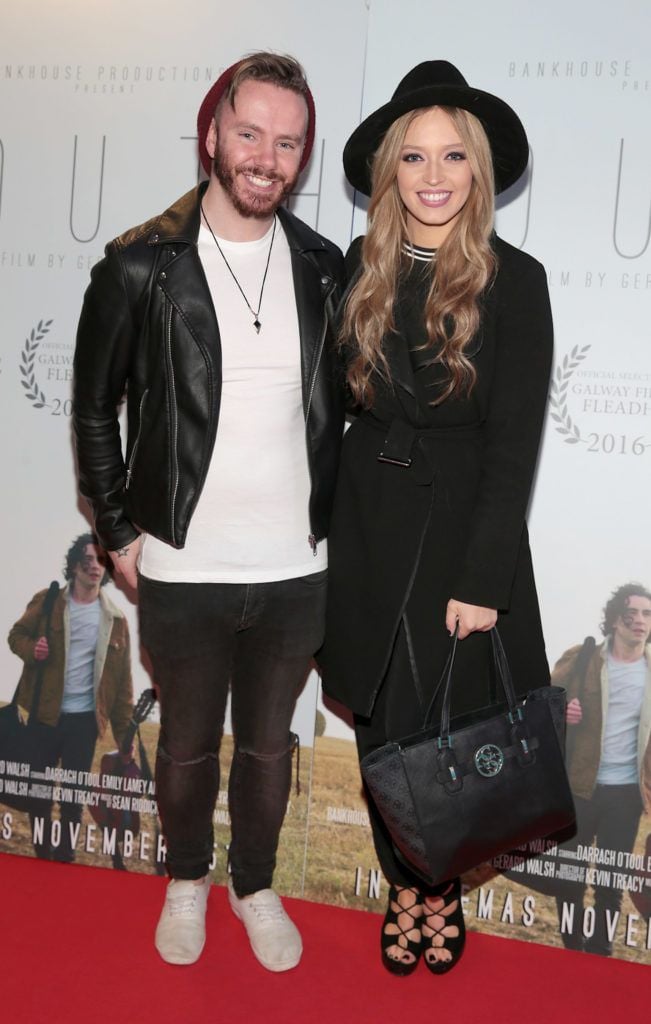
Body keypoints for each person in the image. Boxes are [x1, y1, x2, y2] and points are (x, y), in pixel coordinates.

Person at [72, 52, 345, 970]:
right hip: (182, 565)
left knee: (269, 751)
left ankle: (254, 884)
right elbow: (91, 408)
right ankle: (187, 879)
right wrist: (116, 533)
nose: (267, 156)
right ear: (211, 135)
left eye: (288, 141)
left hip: (295, 567)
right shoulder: (140, 266)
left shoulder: (321, 266)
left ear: (301, 155)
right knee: (187, 749)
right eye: (250, 133)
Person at [318, 61, 553, 975]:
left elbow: (514, 443)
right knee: (381, 725)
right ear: (389, 171)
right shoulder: (358, 270)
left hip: (459, 534)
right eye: (412, 156)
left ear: (477, 170)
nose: (432, 174)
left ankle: (434, 890)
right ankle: (400, 882)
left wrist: (481, 580)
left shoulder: (514, 280)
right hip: (367, 525)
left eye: (453, 155)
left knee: (445, 731)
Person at [7, 533, 133, 861]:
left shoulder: (116, 620)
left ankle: (65, 860)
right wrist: (32, 650)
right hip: (44, 715)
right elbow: (15, 635)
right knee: (39, 794)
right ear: (75, 565)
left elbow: (122, 686)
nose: (95, 566)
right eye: (88, 559)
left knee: (74, 797)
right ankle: (44, 855)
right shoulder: (48, 602)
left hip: (84, 721)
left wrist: (125, 737)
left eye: (101, 560)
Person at [551, 583, 651, 955]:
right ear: (614, 620)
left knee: (611, 881)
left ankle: (600, 951)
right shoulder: (583, 658)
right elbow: (540, 705)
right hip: (578, 788)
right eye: (632, 613)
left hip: (626, 795)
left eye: (647, 613)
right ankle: (573, 947)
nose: (641, 621)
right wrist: (560, 711)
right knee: (569, 876)